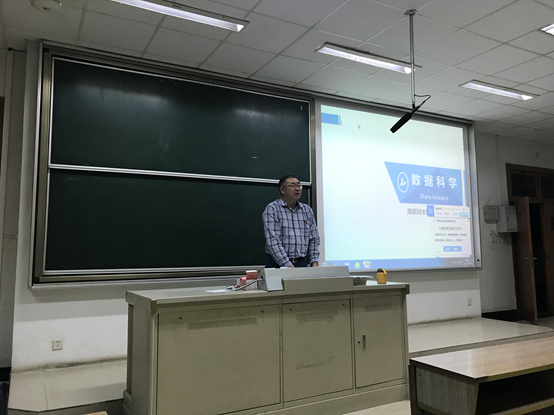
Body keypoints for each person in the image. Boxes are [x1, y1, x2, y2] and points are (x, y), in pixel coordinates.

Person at [262, 175, 320, 268]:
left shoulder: (307, 210)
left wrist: (314, 262)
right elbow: (273, 241)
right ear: (282, 189)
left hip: (301, 263)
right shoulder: (272, 209)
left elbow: (314, 238)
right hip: (278, 264)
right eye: (292, 186)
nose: (297, 189)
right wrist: (288, 266)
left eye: (299, 186)